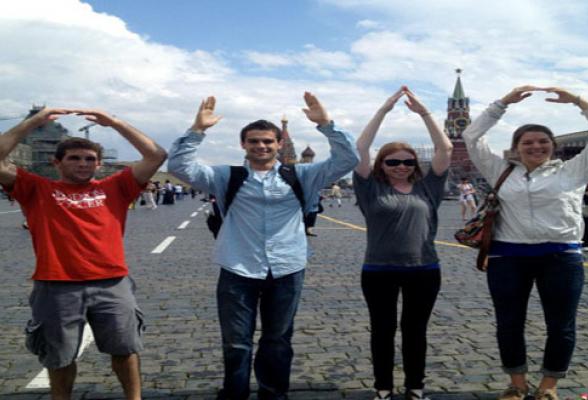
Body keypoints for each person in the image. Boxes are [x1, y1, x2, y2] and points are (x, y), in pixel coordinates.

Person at [168, 93, 358, 400]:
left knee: (279, 338)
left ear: (279, 144)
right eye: (254, 141)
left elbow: (348, 159)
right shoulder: (226, 176)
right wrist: (197, 130)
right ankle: (235, 393)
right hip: (237, 266)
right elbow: (179, 166)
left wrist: (326, 123)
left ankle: (273, 394)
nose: (262, 146)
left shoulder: (302, 175)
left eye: (268, 141)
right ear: (243, 145)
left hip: (286, 267)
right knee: (236, 342)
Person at [0, 107, 167, 400]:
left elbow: (156, 155)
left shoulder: (116, 187)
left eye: (89, 159)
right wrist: (34, 122)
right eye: (74, 158)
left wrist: (114, 122)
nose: (82, 163)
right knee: (59, 357)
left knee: (126, 349)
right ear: (57, 162)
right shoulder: (37, 189)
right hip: (56, 286)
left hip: (112, 283)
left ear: (100, 165)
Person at [462, 86, 588, 400]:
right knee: (509, 323)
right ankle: (517, 384)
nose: (535, 146)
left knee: (561, 325)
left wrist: (579, 102)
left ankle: (549, 386)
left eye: (542, 141)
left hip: (560, 256)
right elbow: (471, 136)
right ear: (516, 148)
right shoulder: (499, 170)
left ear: (552, 146)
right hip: (508, 257)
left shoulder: (575, 170)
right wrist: (502, 104)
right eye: (527, 142)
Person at [353, 87, 453, 400]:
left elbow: (446, 149)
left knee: (415, 331)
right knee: (382, 331)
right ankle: (383, 387)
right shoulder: (370, 189)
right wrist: (383, 109)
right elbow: (361, 147)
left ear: (415, 165)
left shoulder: (428, 188)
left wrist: (424, 113)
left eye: (407, 162)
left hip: (423, 269)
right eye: (393, 161)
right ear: (381, 164)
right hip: (378, 270)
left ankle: (415, 386)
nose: (401, 166)